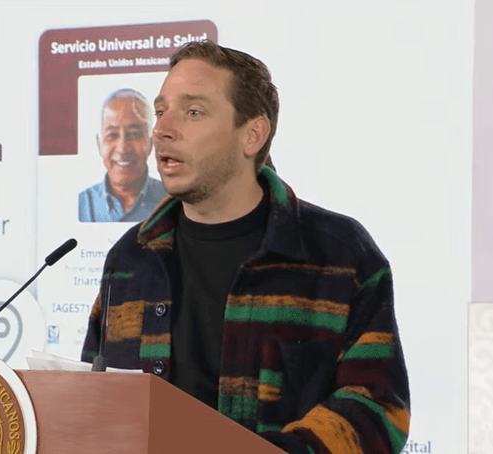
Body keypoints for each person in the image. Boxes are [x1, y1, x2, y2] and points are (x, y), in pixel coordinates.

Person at [81, 40, 410, 454]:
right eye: (162, 111)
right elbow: (91, 397)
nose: (162, 129)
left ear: (252, 134)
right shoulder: (131, 258)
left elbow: (378, 410)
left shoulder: (341, 256)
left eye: (193, 112)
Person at [78, 88, 168, 222]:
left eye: (134, 134)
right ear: (99, 144)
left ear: (150, 143)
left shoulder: (172, 202)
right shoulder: (83, 204)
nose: (123, 148)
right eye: (112, 135)